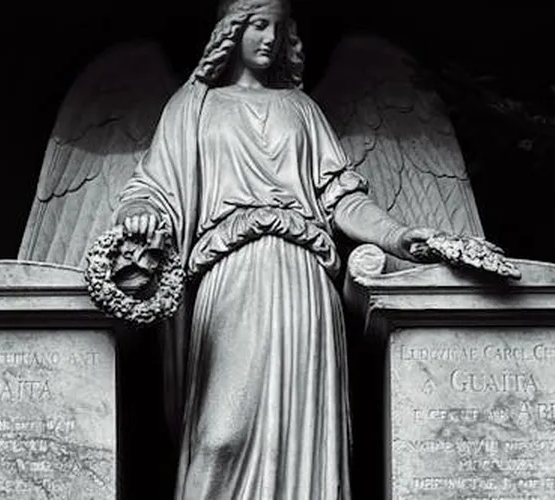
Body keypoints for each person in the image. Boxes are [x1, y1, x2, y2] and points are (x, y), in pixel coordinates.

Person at [110, 1, 508, 498]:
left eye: (279, 27)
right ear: (230, 31)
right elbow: (150, 188)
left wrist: (399, 235)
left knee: (302, 442)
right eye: (258, 25)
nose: (270, 38)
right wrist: (139, 216)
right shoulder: (192, 106)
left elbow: (344, 198)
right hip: (231, 277)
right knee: (219, 437)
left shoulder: (302, 109)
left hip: (302, 278)